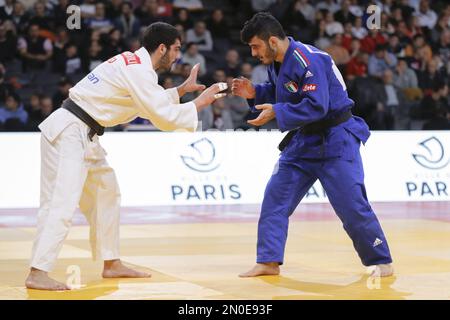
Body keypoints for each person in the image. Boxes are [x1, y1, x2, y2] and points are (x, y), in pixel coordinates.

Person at [25, 22, 225, 291]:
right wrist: (200, 103)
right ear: (162, 48)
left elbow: (145, 102)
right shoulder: (138, 70)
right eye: (176, 49)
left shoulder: (136, 66)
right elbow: (161, 116)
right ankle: (38, 271)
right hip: (69, 132)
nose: (178, 56)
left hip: (84, 132)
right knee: (60, 203)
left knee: (107, 191)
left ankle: (111, 262)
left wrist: (180, 92)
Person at [232, 13, 394, 278]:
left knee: (351, 205)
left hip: (336, 139)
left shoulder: (310, 59)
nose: (253, 53)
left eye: (255, 46)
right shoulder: (278, 61)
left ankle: (381, 261)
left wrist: (276, 112)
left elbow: (317, 105)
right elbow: (285, 91)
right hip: (304, 141)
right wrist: (255, 93)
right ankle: (268, 261)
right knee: (275, 197)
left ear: (272, 41)